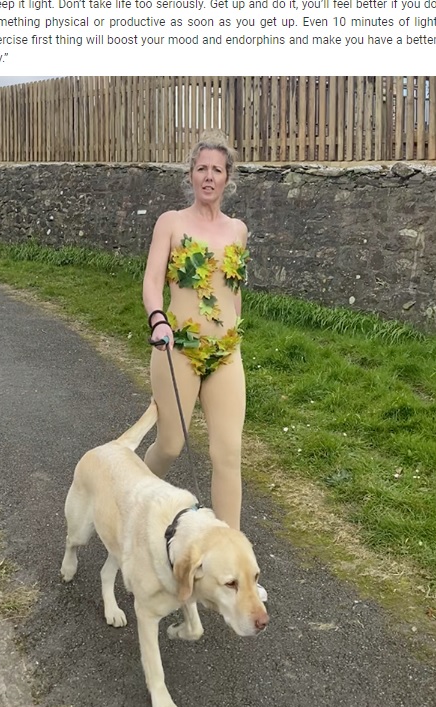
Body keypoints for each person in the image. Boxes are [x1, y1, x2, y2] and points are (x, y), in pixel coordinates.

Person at [142, 130, 267, 602]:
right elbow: (153, 282)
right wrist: (158, 319)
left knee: (227, 455)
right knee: (172, 444)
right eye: (201, 168)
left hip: (225, 354)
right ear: (190, 175)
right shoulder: (171, 222)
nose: (208, 176)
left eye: (217, 169)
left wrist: (231, 330)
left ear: (228, 177)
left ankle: (234, 565)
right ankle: (136, 495)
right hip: (177, 348)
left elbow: (232, 290)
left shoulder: (238, 230)